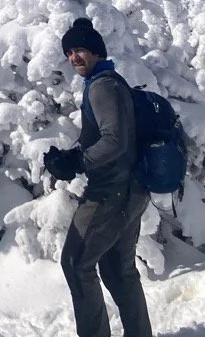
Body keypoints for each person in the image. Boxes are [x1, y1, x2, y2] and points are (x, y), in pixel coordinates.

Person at [44, 17, 153, 337]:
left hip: (111, 191)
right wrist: (69, 156)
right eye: (69, 52)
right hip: (132, 189)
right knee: (119, 271)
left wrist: (79, 161)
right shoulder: (108, 82)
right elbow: (110, 136)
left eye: (80, 50)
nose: (73, 57)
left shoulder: (103, 86)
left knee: (76, 265)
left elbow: (114, 141)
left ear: (95, 51)